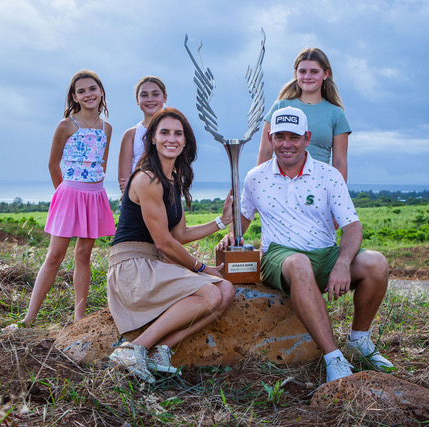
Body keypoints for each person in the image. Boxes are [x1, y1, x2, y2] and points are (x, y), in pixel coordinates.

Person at [219, 107, 392, 383]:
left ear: (307, 138)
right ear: (271, 138)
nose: (286, 144)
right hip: (280, 256)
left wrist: (343, 264)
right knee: (298, 263)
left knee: (376, 263)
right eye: (279, 137)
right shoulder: (255, 177)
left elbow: (352, 226)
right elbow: (241, 222)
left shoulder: (329, 175)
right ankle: (333, 357)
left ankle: (359, 340)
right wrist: (230, 234)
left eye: (294, 137)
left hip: (324, 253)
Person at [108, 108, 235, 383]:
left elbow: (179, 234)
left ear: (186, 141)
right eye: (164, 132)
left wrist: (221, 221)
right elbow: (164, 243)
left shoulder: (172, 181)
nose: (172, 138)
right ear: (152, 138)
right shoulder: (147, 178)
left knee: (226, 292)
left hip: (151, 265)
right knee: (211, 294)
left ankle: (160, 350)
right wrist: (203, 268)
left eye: (178, 133)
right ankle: (134, 348)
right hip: (132, 269)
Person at [3, 70, 116, 332]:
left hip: (95, 195)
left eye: (92, 89)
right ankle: (27, 319)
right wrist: (64, 195)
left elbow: (102, 163)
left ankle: (79, 320)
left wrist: (92, 189)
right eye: (81, 91)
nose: (88, 94)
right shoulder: (66, 125)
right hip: (69, 194)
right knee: (55, 255)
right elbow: (53, 164)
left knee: (84, 254)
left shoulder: (106, 128)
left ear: (101, 92)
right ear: (74, 97)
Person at [256, 48, 352, 182]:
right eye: (302, 71)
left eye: (314, 72)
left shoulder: (336, 114)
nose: (307, 76)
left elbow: (340, 162)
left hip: (319, 187)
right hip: (282, 186)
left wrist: (339, 198)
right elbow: (265, 153)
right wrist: (261, 187)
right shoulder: (280, 107)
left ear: (325, 74)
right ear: (296, 74)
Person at [117, 76, 168, 193]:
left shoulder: (174, 132)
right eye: (144, 95)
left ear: (164, 97)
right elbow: (124, 180)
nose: (150, 99)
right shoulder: (131, 134)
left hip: (167, 197)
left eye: (155, 94)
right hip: (135, 200)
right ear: (137, 100)